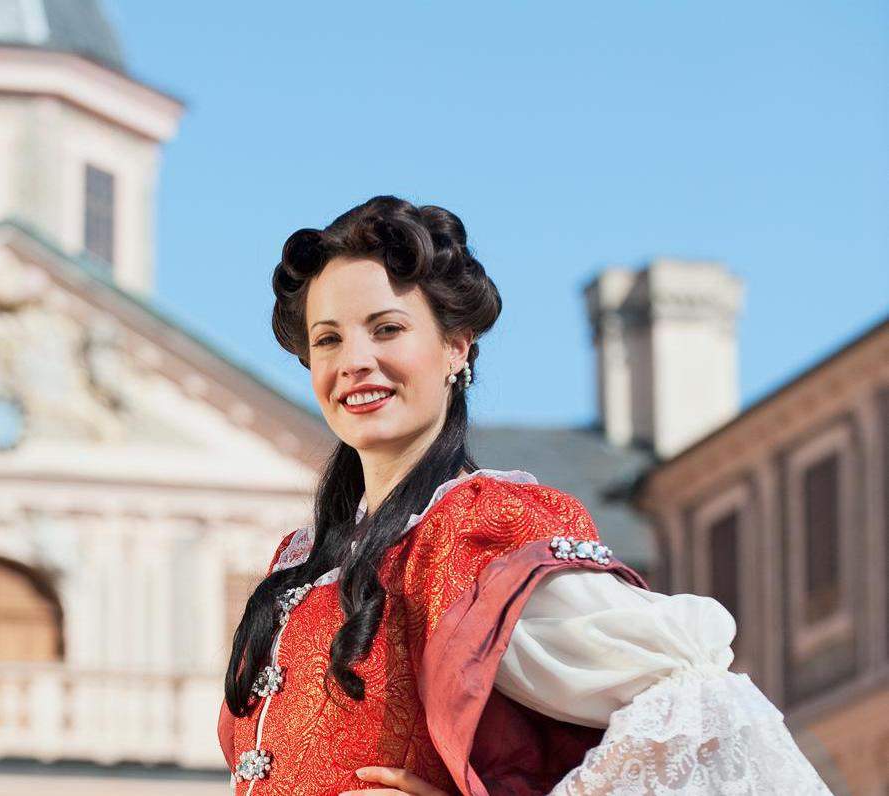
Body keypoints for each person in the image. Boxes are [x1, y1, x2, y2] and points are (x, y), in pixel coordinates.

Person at [218, 195, 830, 795]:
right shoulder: (299, 562)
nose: (354, 361)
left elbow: (703, 716)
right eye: (328, 340)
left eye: (387, 329)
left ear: (456, 346)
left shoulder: (479, 531)